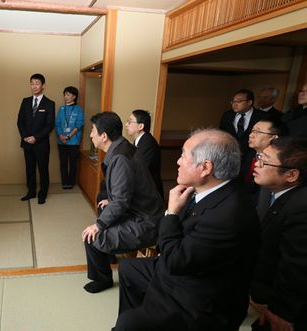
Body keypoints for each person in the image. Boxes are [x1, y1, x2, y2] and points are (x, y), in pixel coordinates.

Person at [113, 128, 261, 331]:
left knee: (127, 325)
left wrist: (171, 213)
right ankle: (141, 316)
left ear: (205, 168)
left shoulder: (227, 215)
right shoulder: (202, 189)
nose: (178, 161)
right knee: (129, 269)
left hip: (202, 297)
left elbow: (175, 261)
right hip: (188, 266)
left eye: (183, 155)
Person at [82, 112, 163, 294]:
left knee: (91, 236)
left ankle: (103, 279)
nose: (90, 135)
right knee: (102, 210)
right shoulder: (123, 147)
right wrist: (110, 200)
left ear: (104, 136)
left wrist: (98, 226)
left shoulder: (120, 158)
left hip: (145, 221)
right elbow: (127, 189)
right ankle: (107, 256)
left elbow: (121, 202)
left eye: (93, 131)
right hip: (140, 211)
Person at [250, 137, 307, 331]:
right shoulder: (279, 194)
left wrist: (281, 311)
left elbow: (297, 266)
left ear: (291, 175)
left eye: (264, 160)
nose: (256, 164)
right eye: (259, 157)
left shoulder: (301, 206)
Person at [17, 73, 55, 204]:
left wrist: (36, 138)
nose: (34, 86)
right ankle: (31, 192)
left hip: (41, 144)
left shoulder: (49, 104)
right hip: (27, 143)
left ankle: (42, 194)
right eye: (32, 83)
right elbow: (20, 122)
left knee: (43, 170)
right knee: (29, 169)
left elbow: (50, 125)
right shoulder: (25, 101)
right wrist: (25, 137)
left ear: (43, 86)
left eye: (37, 83)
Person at [241, 118, 287, 204]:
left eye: (257, 132)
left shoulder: (280, 163)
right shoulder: (249, 154)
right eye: (252, 131)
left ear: (274, 138)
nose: (251, 135)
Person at [219, 88, 270, 160]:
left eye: (239, 101)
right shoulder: (227, 115)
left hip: (251, 157)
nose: (234, 104)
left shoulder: (263, 116)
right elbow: (222, 133)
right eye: (233, 101)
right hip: (229, 155)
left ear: (249, 102)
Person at [124, 109, 164, 199]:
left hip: (150, 194)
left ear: (140, 126)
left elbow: (139, 171)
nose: (126, 125)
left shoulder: (148, 143)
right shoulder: (139, 140)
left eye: (129, 122)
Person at [55, 86, 85, 189]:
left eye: (68, 94)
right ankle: (65, 182)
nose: (65, 97)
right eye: (65, 94)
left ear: (74, 96)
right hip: (61, 141)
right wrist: (61, 136)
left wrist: (68, 137)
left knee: (73, 163)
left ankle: (71, 182)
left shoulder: (79, 109)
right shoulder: (61, 109)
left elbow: (79, 124)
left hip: (73, 141)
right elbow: (57, 123)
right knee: (63, 163)